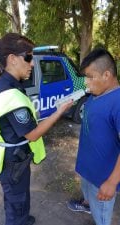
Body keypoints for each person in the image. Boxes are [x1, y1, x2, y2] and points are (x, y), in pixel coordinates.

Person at [0, 33, 73, 225]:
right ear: (12, 59)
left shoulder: (7, 83)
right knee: (16, 205)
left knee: (16, 199)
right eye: (28, 57)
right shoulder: (9, 92)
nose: (32, 63)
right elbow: (33, 133)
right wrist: (59, 111)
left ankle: (23, 218)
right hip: (13, 162)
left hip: (12, 157)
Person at [67, 48, 120, 225]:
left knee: (102, 218)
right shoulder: (96, 94)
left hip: (103, 179)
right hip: (88, 170)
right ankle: (87, 203)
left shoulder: (117, 102)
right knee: (91, 199)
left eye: (90, 77)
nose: (86, 83)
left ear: (106, 75)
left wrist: (112, 182)